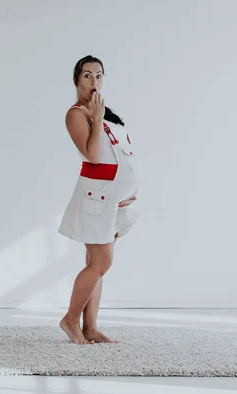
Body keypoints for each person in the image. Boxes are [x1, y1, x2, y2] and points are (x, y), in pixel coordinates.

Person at [58, 55, 140, 344]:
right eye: (87, 75)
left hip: (115, 198)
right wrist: (96, 118)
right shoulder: (77, 114)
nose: (94, 81)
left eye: (99, 75)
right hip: (96, 196)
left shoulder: (105, 111)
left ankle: (90, 327)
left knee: (96, 263)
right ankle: (70, 320)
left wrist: (128, 189)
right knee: (101, 263)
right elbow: (93, 155)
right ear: (76, 80)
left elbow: (119, 154)